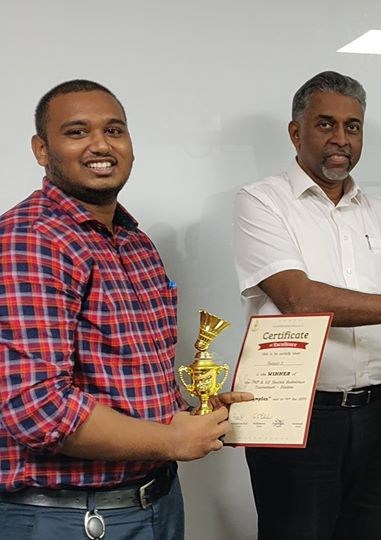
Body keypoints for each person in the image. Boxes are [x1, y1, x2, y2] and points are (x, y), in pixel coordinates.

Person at [0, 79, 251, 539]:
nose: (101, 145)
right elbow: (38, 409)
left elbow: (130, 380)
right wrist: (171, 439)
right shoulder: (31, 240)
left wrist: (194, 413)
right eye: (77, 132)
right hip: (69, 518)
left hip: (154, 502)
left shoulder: (135, 242)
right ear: (41, 149)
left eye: (114, 130)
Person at [233, 71, 381, 539]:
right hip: (296, 414)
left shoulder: (380, 213)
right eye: (325, 124)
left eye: (353, 126)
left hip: (377, 411)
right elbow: (298, 300)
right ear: (296, 132)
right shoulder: (262, 202)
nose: (341, 139)